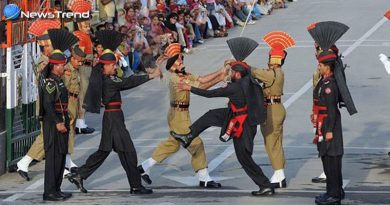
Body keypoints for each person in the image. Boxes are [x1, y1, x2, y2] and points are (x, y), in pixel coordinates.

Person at [171, 37, 274, 196]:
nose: (230, 73)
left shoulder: (235, 88)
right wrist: (229, 68)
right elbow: (238, 75)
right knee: (211, 115)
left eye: (233, 72)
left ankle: (265, 185)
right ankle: (188, 136)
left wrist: (188, 87)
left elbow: (209, 94)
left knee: (244, 158)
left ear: (238, 75)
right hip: (233, 115)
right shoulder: (247, 80)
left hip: (243, 125)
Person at [68, 30, 161, 194]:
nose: (115, 66)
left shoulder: (106, 77)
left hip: (114, 117)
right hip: (114, 119)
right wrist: (151, 76)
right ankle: (136, 186)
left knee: (104, 152)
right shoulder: (108, 80)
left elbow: (126, 80)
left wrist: (149, 74)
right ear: (106, 66)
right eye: (113, 65)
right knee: (129, 151)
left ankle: (80, 175)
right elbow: (127, 82)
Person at [137, 43, 224, 188]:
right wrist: (220, 77)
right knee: (196, 143)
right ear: (173, 66)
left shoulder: (182, 75)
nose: (182, 62)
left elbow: (202, 79)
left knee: (172, 144)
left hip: (179, 114)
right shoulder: (178, 79)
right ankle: (204, 178)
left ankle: (143, 167)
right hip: (179, 116)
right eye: (179, 61)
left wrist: (220, 73)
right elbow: (202, 87)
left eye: (181, 60)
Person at [307, 21, 357, 205]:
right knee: (327, 162)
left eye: (320, 64)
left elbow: (331, 112)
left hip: (329, 127)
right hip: (324, 124)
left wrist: (328, 130)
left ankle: (334, 195)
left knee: (332, 163)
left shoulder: (329, 86)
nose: (318, 66)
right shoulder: (325, 81)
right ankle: (331, 192)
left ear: (326, 66)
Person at [16, 19, 60, 181]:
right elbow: (42, 80)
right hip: (46, 103)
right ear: (44, 46)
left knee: (53, 136)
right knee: (47, 135)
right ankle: (24, 162)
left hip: (54, 101)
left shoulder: (51, 59)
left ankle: (65, 167)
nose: (51, 47)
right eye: (49, 45)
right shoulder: (43, 61)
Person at [250, 31, 295, 188]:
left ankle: (279, 174)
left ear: (273, 59)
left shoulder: (272, 74)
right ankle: (279, 172)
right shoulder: (277, 72)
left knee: (271, 142)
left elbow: (255, 72)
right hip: (276, 108)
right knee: (276, 141)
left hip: (271, 110)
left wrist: (242, 65)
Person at [40, 28, 79, 201]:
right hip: (53, 124)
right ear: (56, 66)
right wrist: (57, 122)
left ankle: (56, 189)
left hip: (61, 122)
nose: (65, 66)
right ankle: (49, 192)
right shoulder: (50, 83)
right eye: (63, 64)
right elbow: (48, 105)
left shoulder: (59, 81)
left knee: (61, 157)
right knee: (53, 159)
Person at [70, 0, 95, 134]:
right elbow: (78, 54)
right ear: (79, 24)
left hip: (86, 67)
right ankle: (80, 124)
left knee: (83, 95)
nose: (88, 27)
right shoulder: (81, 36)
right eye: (86, 25)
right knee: (83, 95)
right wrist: (84, 61)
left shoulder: (83, 35)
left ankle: (80, 123)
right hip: (83, 69)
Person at [61, 45, 87, 177]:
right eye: (78, 61)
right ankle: (64, 163)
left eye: (81, 61)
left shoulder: (75, 70)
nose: (80, 63)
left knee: (71, 132)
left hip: (74, 101)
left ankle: (68, 160)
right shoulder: (68, 71)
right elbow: (63, 90)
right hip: (68, 102)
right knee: (67, 132)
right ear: (72, 58)